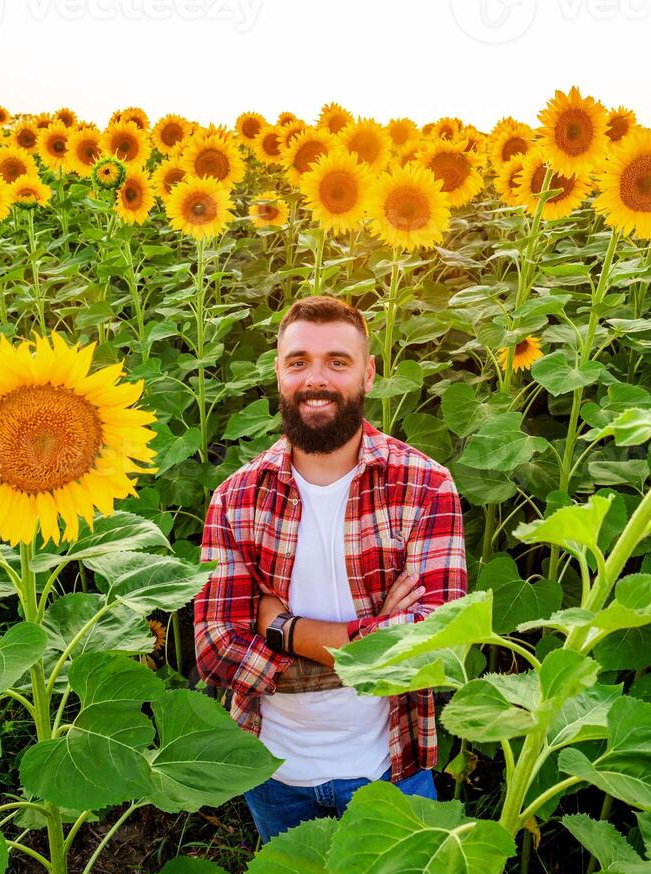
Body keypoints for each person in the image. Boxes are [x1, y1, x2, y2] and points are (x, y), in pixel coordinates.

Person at [192, 294, 468, 844]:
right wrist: (375, 645)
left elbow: (438, 648)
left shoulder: (424, 486)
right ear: (278, 372)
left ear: (368, 373)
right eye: (299, 362)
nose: (316, 379)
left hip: (392, 769)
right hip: (274, 772)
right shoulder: (237, 499)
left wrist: (281, 628)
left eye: (337, 362)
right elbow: (215, 648)